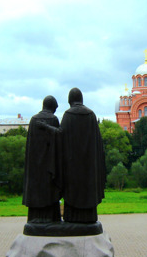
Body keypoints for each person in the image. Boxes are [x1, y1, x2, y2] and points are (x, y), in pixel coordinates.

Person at [59, 87, 106, 223]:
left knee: (72, 190)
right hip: (89, 165)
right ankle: (89, 218)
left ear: (70, 100)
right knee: (88, 189)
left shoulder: (68, 115)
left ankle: (71, 218)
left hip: (72, 165)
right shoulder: (90, 115)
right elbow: (98, 143)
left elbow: (61, 140)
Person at [23, 95, 61, 223]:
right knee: (50, 189)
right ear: (52, 107)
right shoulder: (53, 119)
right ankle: (51, 218)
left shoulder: (33, 120)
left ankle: (35, 218)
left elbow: (30, 145)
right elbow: (59, 140)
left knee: (36, 188)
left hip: (35, 164)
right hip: (50, 164)